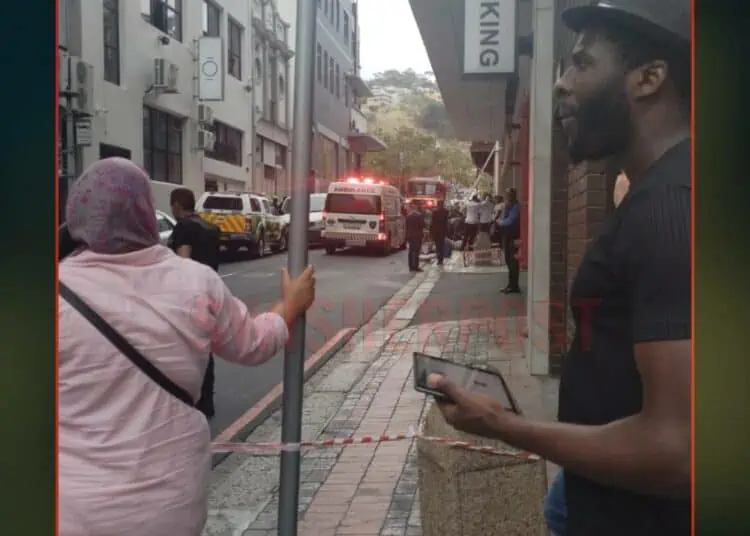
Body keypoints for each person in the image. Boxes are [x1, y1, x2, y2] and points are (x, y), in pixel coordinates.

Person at [427, 1, 691, 535]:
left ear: (649, 79)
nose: (561, 84)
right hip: (596, 495)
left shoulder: (672, 209)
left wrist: (504, 426)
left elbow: (682, 451)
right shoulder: (657, 195)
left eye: (582, 63)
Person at [59, 157, 316, 536]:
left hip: (71, 509)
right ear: (146, 212)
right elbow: (254, 345)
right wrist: (289, 307)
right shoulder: (196, 282)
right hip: (169, 506)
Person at [542, 171, 631, 536]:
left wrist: (502, 425)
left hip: (618, 447)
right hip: (598, 440)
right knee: (560, 509)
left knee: (561, 511)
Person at [169, 187, 221, 418]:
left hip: (188, 296)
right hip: (209, 293)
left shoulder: (184, 228)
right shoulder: (211, 228)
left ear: (177, 205)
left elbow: (184, 262)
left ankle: (191, 399)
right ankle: (207, 399)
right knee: (205, 347)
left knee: (186, 347)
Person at [497, 188, 521, 293]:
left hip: (514, 237)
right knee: (508, 260)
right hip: (507, 236)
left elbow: (510, 221)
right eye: (507, 195)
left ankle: (514, 286)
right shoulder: (508, 206)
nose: (508, 197)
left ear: (514, 195)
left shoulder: (516, 207)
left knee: (513, 262)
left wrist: (500, 222)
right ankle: (511, 284)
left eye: (509, 195)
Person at [405, 203, 425, 272]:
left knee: (411, 251)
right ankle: (416, 266)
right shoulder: (420, 215)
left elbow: (406, 226)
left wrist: (407, 236)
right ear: (416, 209)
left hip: (410, 236)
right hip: (417, 236)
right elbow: (422, 225)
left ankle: (410, 267)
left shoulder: (408, 216)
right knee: (416, 251)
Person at [430, 199, 449, 265]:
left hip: (436, 231)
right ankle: (441, 259)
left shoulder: (435, 212)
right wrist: (447, 231)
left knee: (438, 246)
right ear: (443, 204)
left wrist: (431, 231)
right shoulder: (446, 211)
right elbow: (446, 222)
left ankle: (439, 260)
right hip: (442, 231)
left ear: (437, 205)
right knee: (441, 245)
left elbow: (432, 222)